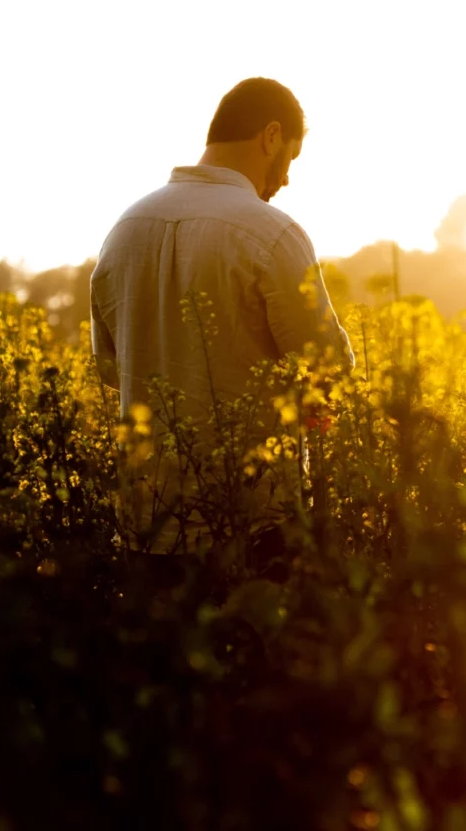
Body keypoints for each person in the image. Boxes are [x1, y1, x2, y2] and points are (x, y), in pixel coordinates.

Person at [90, 77, 353, 570]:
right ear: (271, 137)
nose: (287, 180)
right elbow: (327, 369)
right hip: (256, 528)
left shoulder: (123, 230)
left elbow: (109, 367)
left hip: (147, 528)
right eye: (291, 160)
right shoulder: (273, 232)